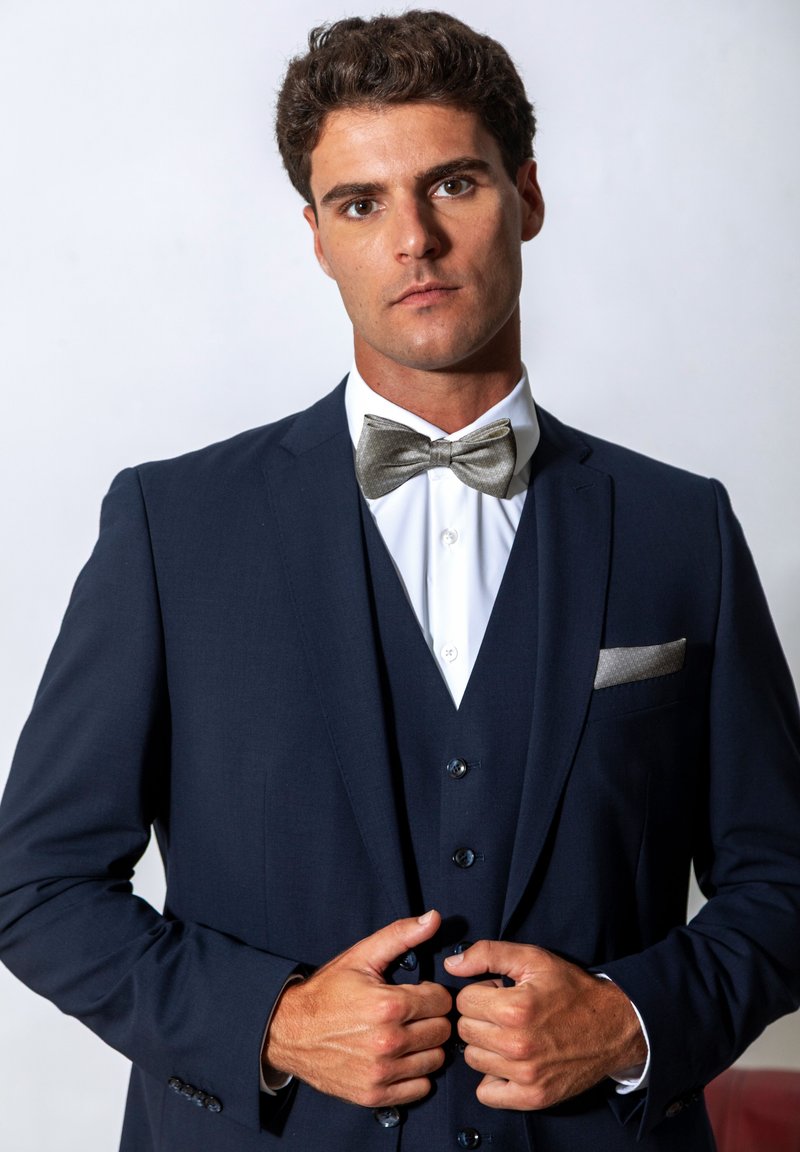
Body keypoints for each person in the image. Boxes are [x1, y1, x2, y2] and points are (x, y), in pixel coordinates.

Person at [1, 10, 798, 1152]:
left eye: (452, 185)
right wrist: (271, 1023)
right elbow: (35, 883)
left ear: (527, 195)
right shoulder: (171, 527)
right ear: (318, 238)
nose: (412, 240)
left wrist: (629, 1021)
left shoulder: (682, 528)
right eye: (360, 204)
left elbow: (783, 880)